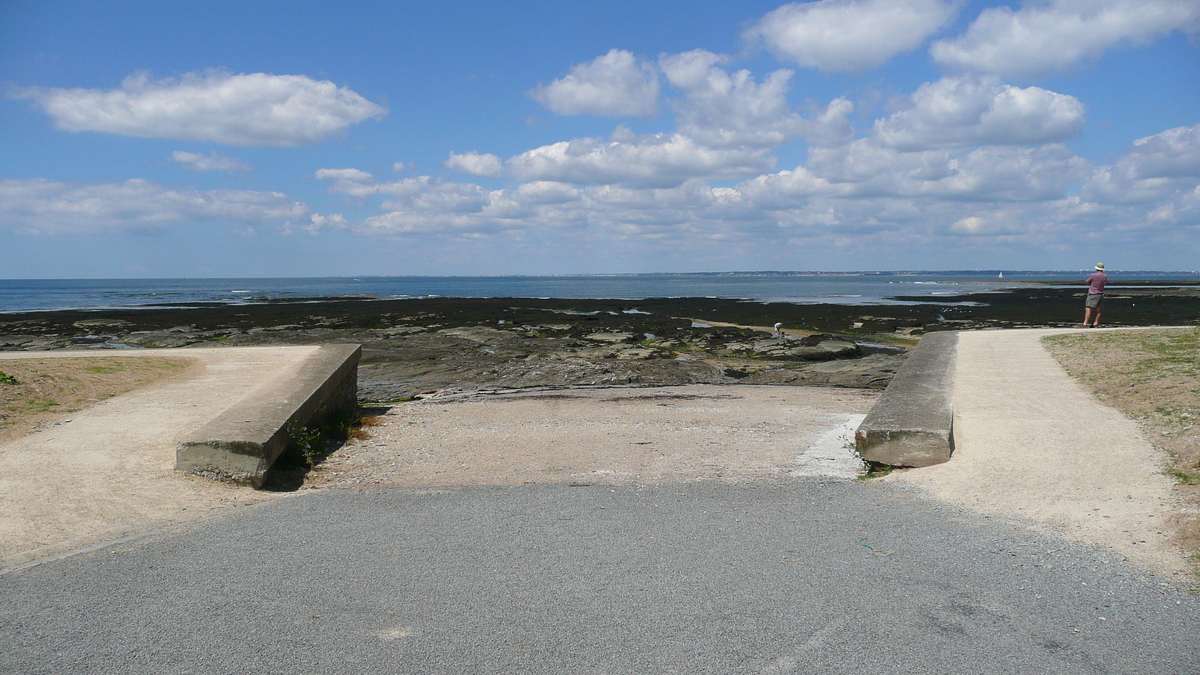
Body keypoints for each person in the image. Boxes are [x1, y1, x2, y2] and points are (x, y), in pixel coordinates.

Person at [1083, 262, 1107, 327]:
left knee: (1088, 308)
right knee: (1098, 309)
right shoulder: (1105, 276)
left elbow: (1087, 282)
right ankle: (1096, 322)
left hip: (1093, 293)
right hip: (1100, 293)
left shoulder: (1094, 275)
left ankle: (1085, 323)